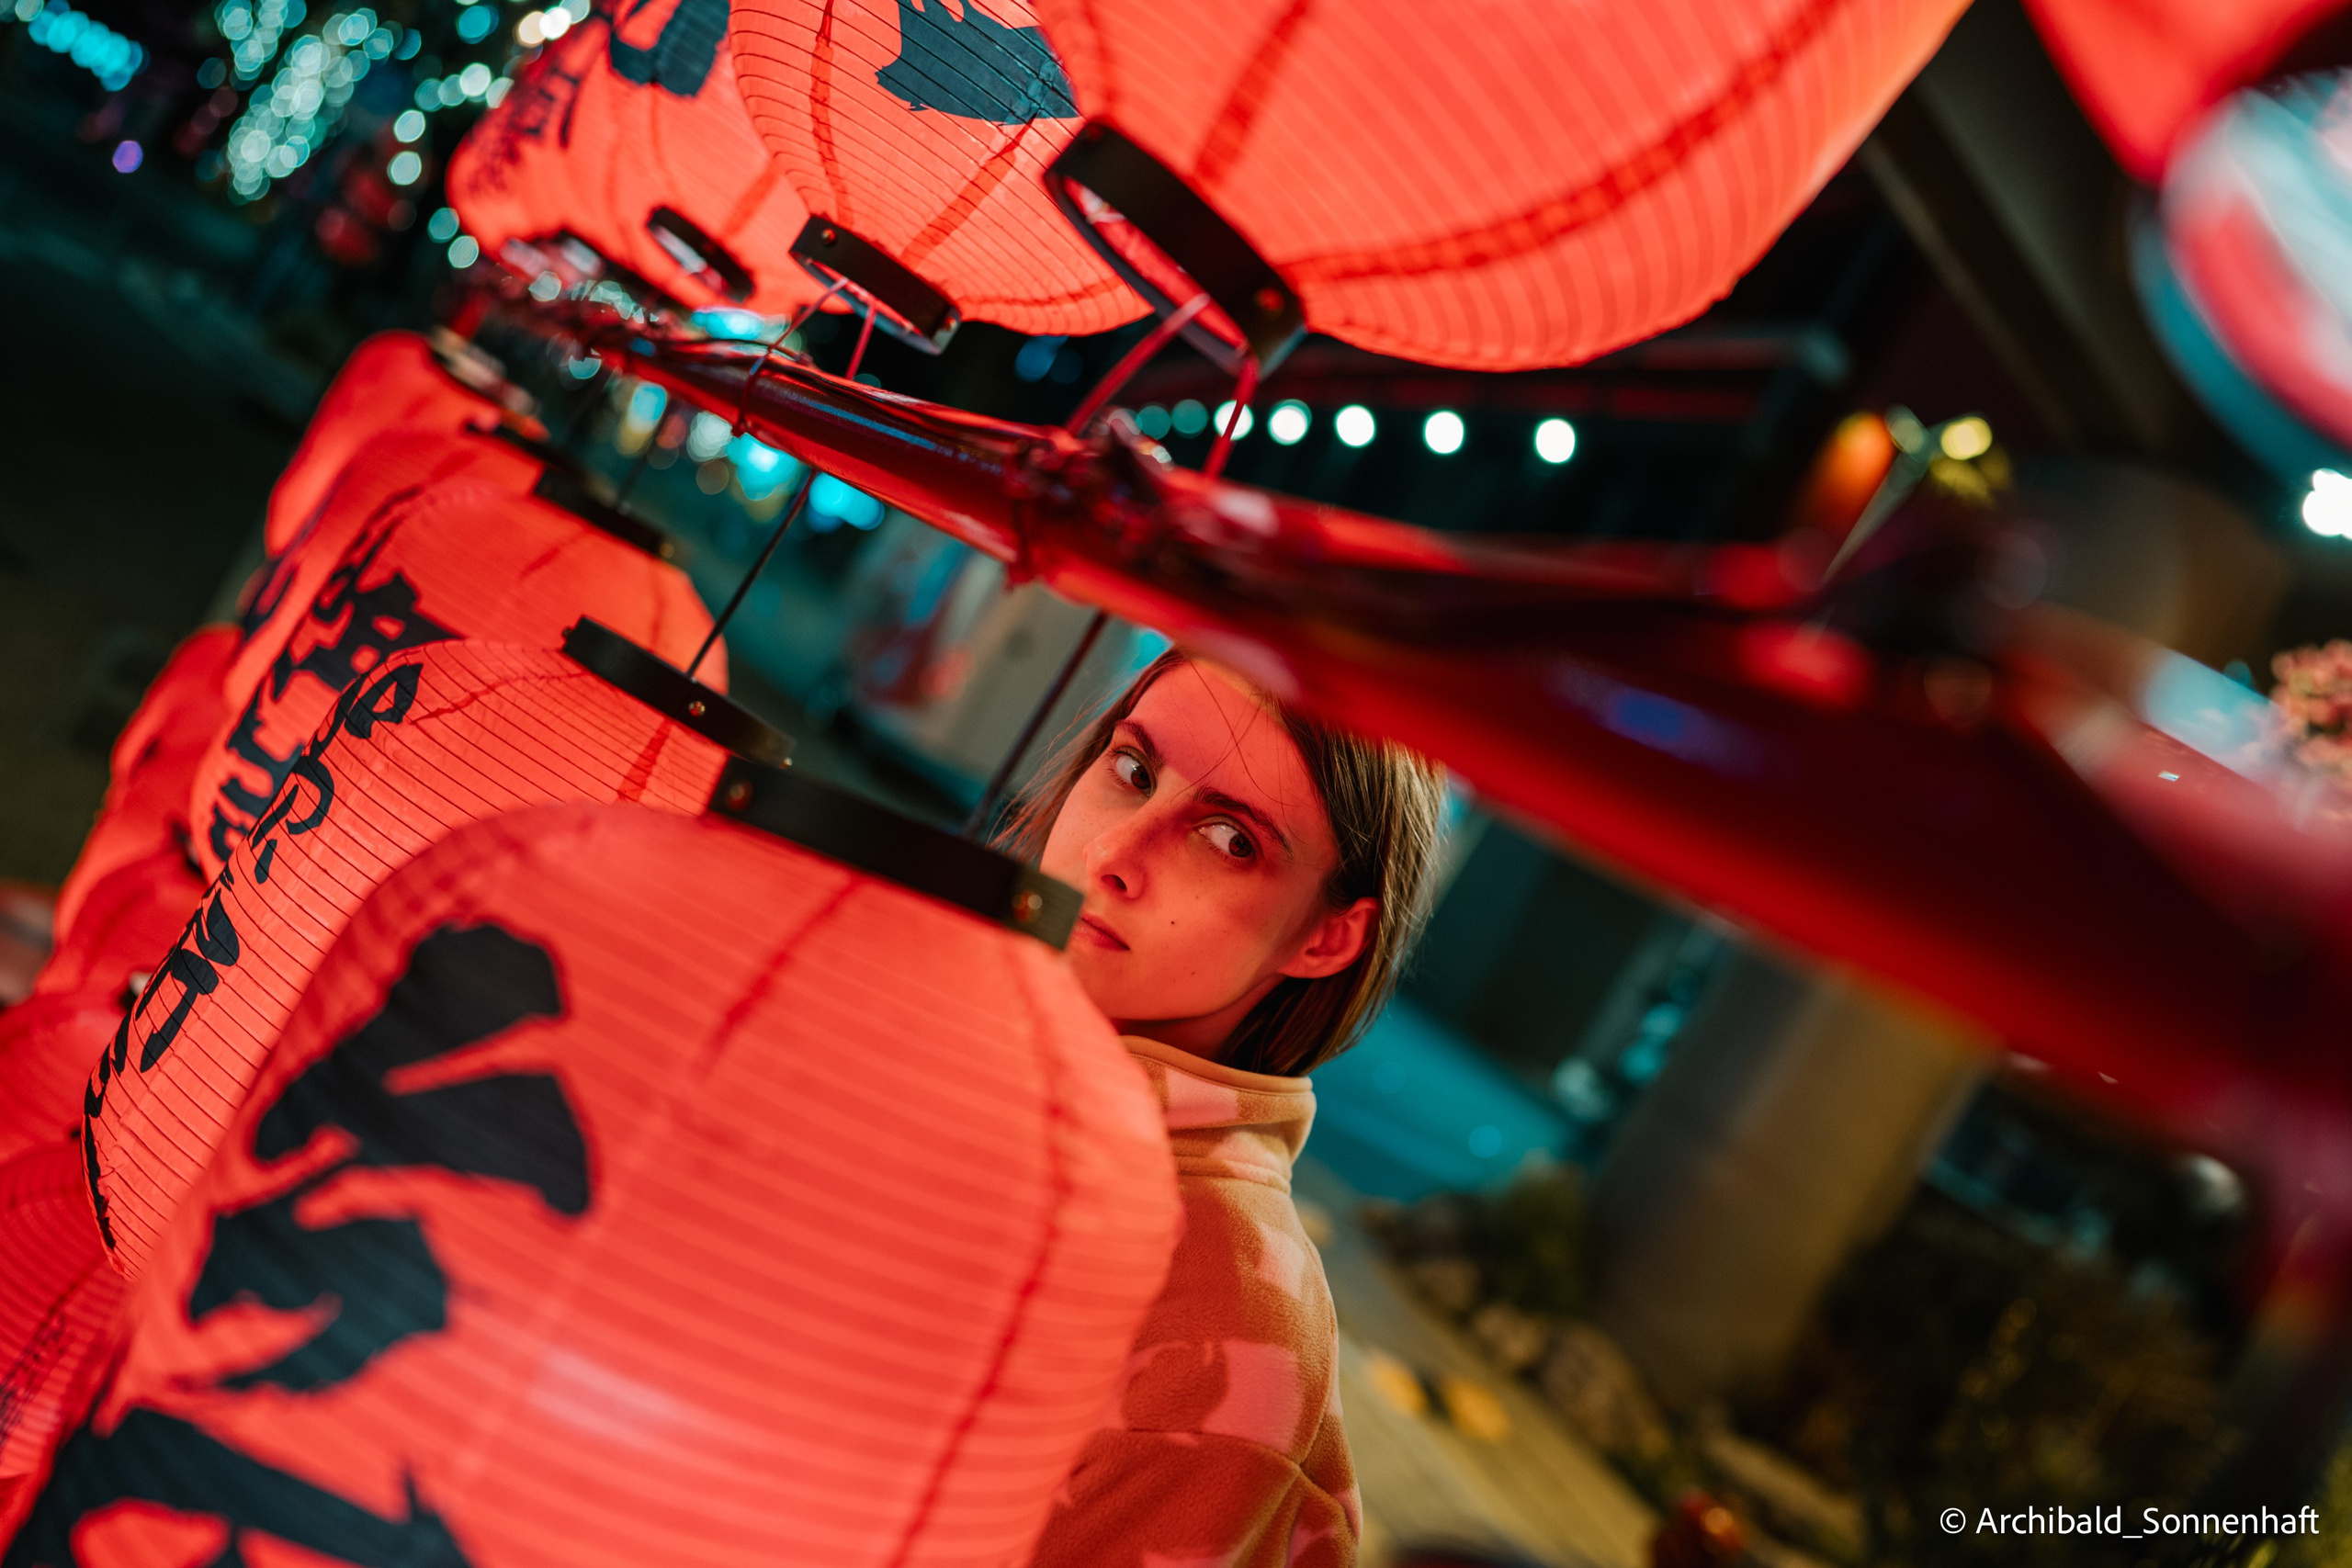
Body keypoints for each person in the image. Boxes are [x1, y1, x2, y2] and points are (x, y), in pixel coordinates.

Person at [1003, 650, 1447, 1568]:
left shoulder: (1228, 1326)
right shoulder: (937, 1036)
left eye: (1229, 840)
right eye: (1132, 771)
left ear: (1327, 938)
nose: (1112, 855)